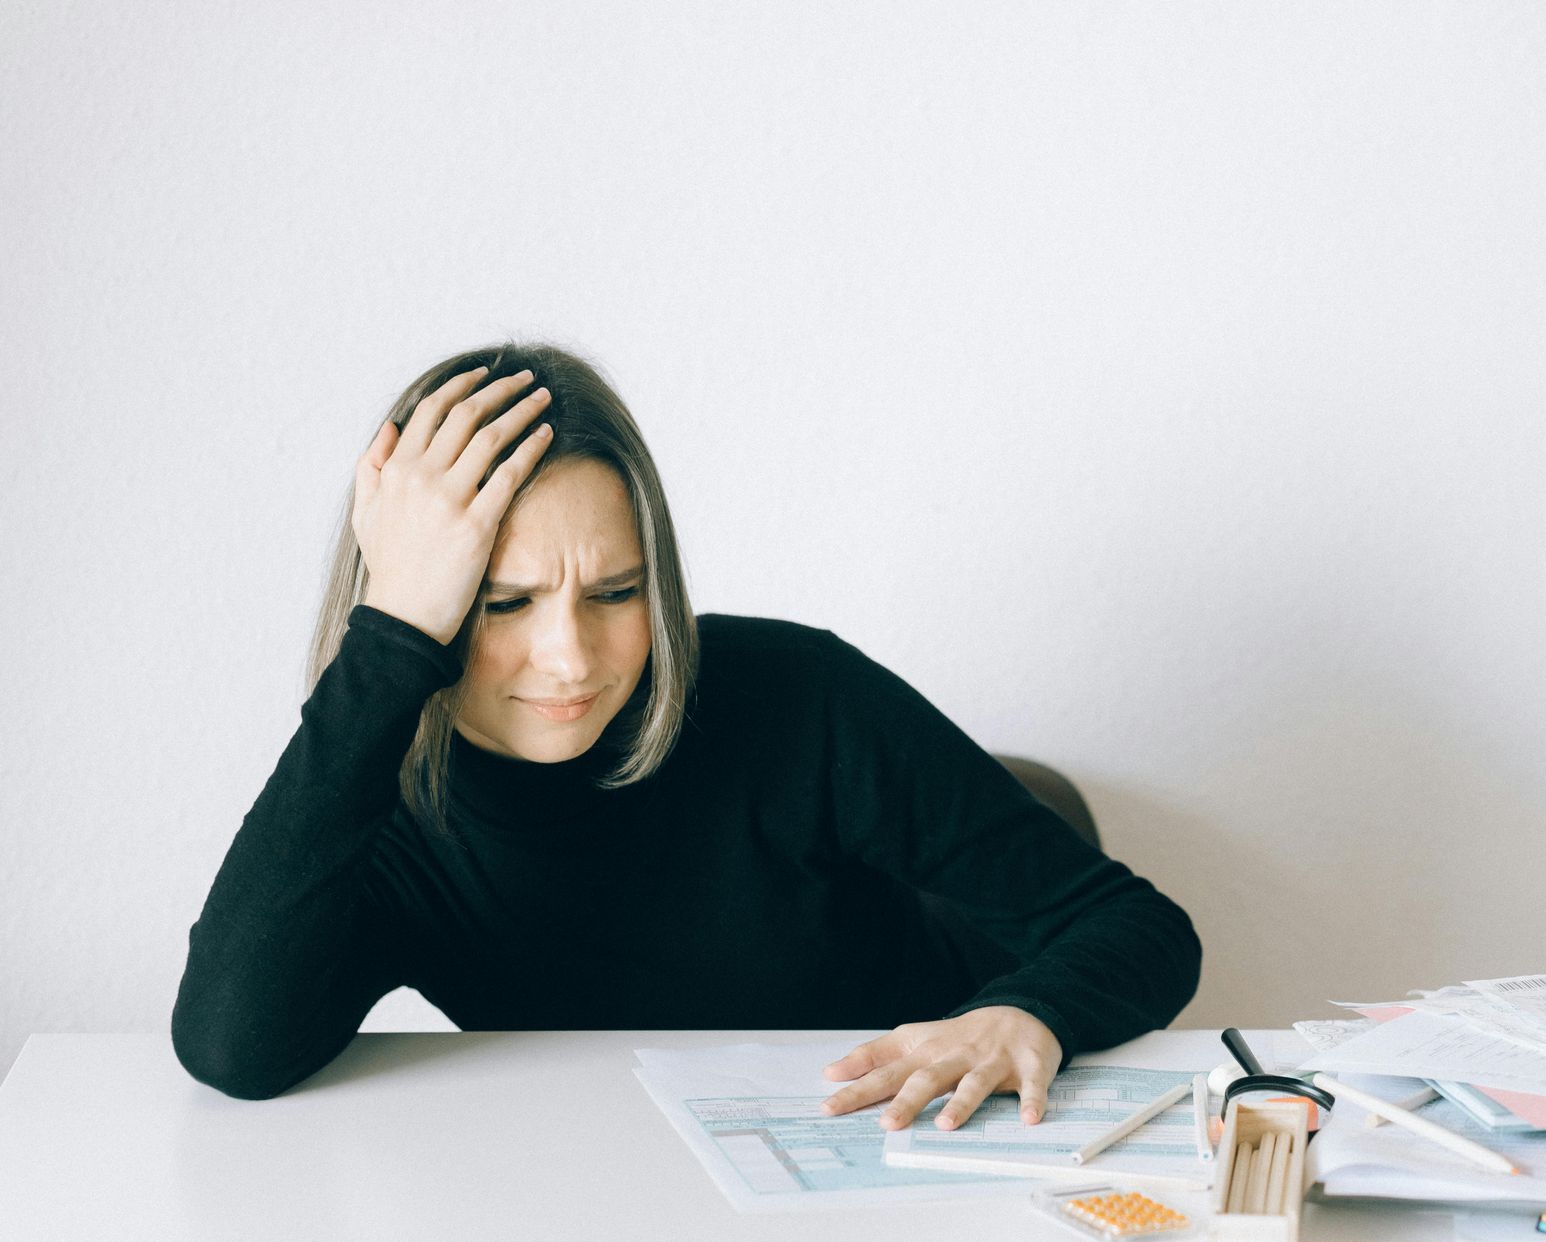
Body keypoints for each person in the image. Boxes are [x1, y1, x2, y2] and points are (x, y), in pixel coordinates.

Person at [171, 343, 1203, 1131]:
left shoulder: (798, 696)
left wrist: (1031, 1011)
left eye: (615, 592)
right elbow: (230, 1045)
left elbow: (1142, 928)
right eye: (503, 603)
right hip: (628, 1190)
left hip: (902, 1156)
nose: (571, 659)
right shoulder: (384, 811)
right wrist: (387, 645)